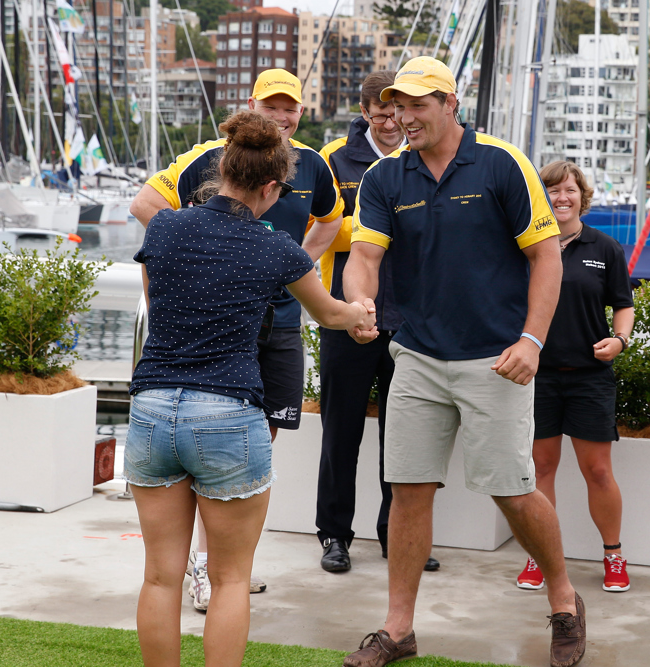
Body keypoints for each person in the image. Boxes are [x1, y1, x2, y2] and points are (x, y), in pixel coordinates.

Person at [340, 56, 586, 667]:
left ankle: (564, 600)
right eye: (398, 104)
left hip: (496, 358)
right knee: (408, 491)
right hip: (417, 356)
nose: (404, 116)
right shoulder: (384, 178)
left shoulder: (503, 164)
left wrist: (531, 341)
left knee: (512, 491)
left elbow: (547, 257)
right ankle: (398, 629)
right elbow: (364, 256)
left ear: (451, 104)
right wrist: (358, 300)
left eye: (418, 104)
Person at [125, 110, 375, 667]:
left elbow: (156, 297)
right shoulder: (276, 248)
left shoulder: (164, 227)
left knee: (160, 577)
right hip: (227, 414)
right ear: (269, 186)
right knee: (231, 580)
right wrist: (360, 312)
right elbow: (331, 314)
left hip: (153, 407)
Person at [305, 70, 439, 574]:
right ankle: (334, 535)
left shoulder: (424, 159)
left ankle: (396, 535)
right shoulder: (333, 162)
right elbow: (319, 233)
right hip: (346, 315)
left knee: (404, 436)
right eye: (382, 114)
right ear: (364, 113)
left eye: (399, 114)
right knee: (341, 431)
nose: (391, 124)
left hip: (412, 319)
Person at [515, 161, 634, 595]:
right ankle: (541, 556)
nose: (561, 198)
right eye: (551, 190)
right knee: (539, 469)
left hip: (590, 378)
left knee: (598, 471)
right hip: (536, 375)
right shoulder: (526, 245)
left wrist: (620, 340)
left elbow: (624, 304)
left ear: (582, 195)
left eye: (569, 190)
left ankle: (614, 555)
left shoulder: (604, 248)